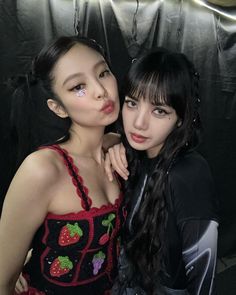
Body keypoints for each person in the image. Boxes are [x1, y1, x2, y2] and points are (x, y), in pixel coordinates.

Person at [0, 35, 126, 295]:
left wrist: (118, 141)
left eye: (103, 73)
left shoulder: (118, 151)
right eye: (78, 86)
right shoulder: (42, 168)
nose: (100, 90)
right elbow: (2, 279)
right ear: (58, 108)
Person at [105, 48, 219, 294]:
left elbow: (202, 280)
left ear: (180, 118)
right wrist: (113, 144)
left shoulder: (189, 173)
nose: (139, 122)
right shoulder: (135, 155)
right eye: (132, 103)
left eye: (159, 110)